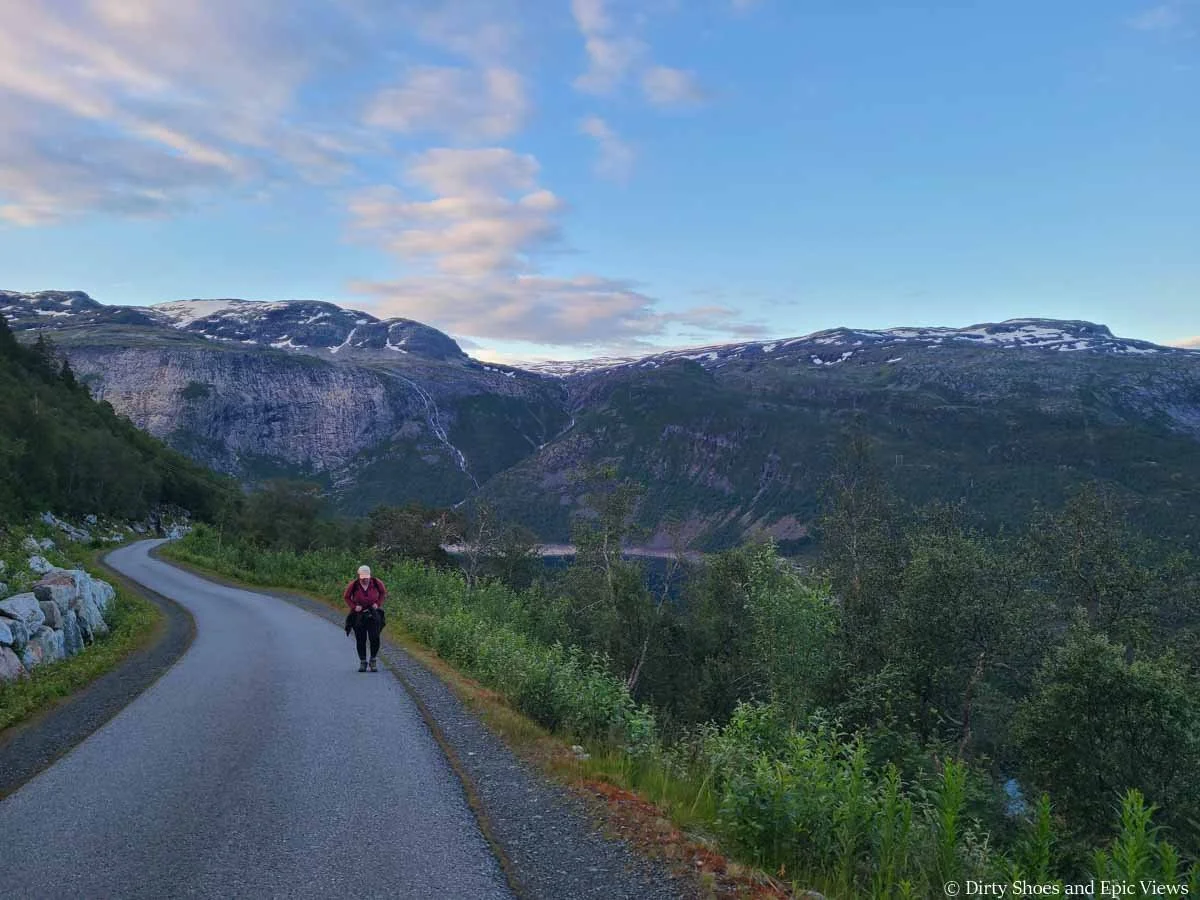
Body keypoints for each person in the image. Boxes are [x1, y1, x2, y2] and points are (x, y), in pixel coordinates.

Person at [343, 565, 387, 672]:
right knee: (360, 639)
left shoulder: (376, 583)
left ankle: (373, 660)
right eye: (362, 578)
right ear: (359, 576)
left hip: (373, 613)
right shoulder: (354, 585)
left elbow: (383, 593)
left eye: (366, 577)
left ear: (370, 576)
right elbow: (346, 597)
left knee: (374, 637)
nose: (365, 579)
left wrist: (378, 603)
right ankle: (363, 662)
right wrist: (354, 607)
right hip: (359, 615)